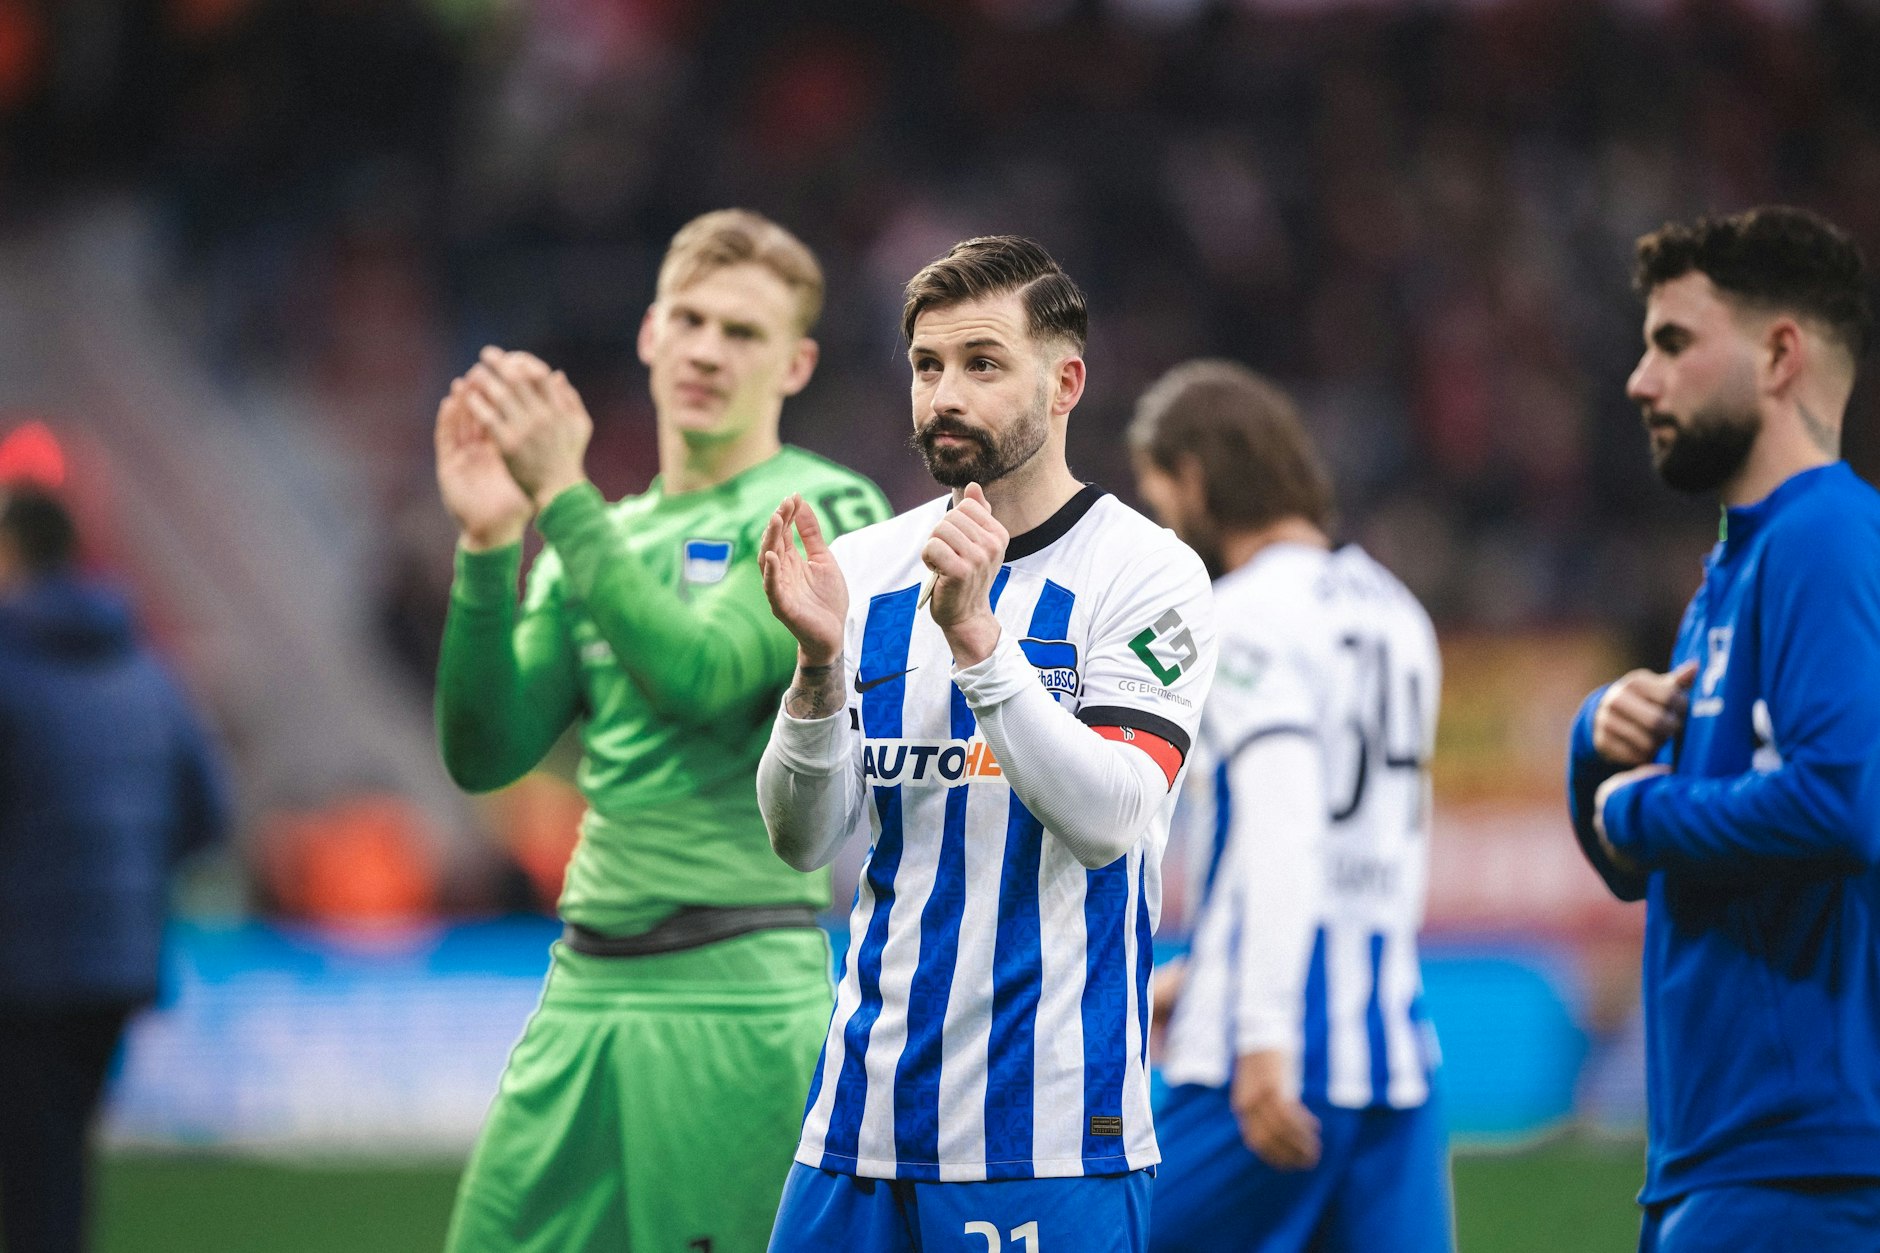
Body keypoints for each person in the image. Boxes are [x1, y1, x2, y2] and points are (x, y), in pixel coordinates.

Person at [434, 208, 891, 1253]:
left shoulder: (822, 504)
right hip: (584, 982)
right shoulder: (605, 531)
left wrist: (556, 496)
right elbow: (482, 750)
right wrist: (485, 543)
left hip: (732, 993)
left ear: (796, 363)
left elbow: (698, 675)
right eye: (688, 319)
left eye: (741, 332)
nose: (705, 350)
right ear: (648, 333)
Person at [755, 235, 1216, 1252]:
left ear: (1064, 383)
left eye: (980, 364)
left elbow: (1113, 818)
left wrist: (976, 640)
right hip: (856, 1124)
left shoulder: (1147, 575)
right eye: (926, 366)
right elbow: (800, 838)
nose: (943, 394)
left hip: (1047, 1133)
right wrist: (819, 669)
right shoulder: (871, 566)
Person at [1565, 206, 1880, 1250]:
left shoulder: (1825, 539)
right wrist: (1593, 752)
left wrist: (1638, 805)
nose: (1638, 380)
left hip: (1798, 1166)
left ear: (1779, 354)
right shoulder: (1730, 569)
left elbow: (1839, 805)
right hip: (1727, 1157)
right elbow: (1632, 860)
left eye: (1672, 342)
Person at [1127, 362, 1452, 1252]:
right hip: (1388, 1043)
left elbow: (1283, 819)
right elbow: (1381, 839)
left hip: (1260, 1045)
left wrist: (1261, 1025)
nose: (1165, 525)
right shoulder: (1399, 613)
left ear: (1193, 478)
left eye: (1161, 499)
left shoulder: (1228, 617)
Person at [0, 487, 230, 1253]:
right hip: (116, 960)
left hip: (21, 963)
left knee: (32, 1175)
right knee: (56, 1159)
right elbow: (208, 813)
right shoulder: (148, 669)